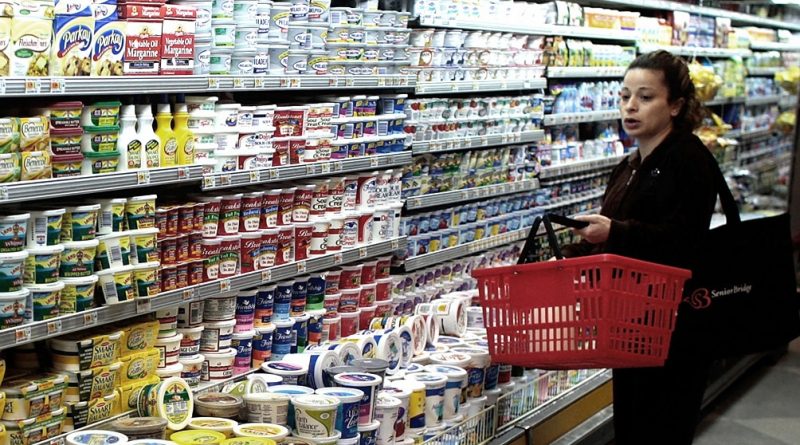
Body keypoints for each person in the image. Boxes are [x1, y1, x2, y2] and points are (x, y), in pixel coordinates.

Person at [561, 50, 721, 445]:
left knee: (660, 430)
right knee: (632, 428)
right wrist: (565, 257)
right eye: (625, 96)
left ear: (675, 106)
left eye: (645, 97)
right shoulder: (630, 164)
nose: (630, 106)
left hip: (674, 329)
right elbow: (614, 237)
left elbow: (683, 242)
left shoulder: (689, 159)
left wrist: (615, 231)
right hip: (630, 324)